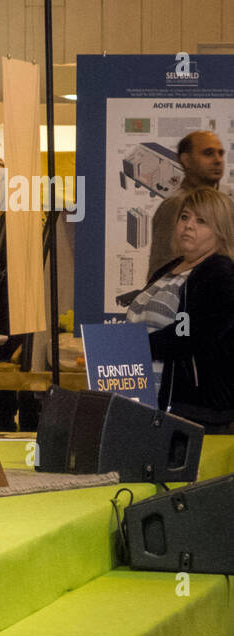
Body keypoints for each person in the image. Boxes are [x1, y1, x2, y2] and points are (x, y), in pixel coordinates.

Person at [127, 187, 234, 430]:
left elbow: (189, 334)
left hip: (192, 412)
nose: (189, 225)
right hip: (148, 402)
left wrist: (132, 348)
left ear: (220, 232)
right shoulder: (168, 269)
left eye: (201, 221)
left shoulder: (219, 273)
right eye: (184, 217)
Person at [146, 131, 227, 277]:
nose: (218, 160)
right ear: (186, 160)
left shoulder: (226, 203)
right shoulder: (175, 206)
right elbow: (160, 271)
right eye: (208, 153)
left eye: (220, 153)